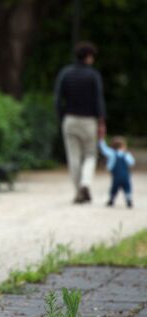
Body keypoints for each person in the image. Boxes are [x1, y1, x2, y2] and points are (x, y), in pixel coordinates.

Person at [55, 41, 107, 204]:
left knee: (74, 157)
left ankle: (79, 192)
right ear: (89, 57)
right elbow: (98, 100)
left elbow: (58, 99)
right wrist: (101, 121)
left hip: (70, 119)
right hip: (88, 121)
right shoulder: (93, 75)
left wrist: (62, 117)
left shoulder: (65, 73)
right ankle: (85, 183)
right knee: (91, 154)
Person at [98, 136, 135, 208]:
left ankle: (111, 200)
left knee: (114, 188)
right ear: (122, 146)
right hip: (125, 176)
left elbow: (104, 150)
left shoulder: (112, 154)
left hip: (116, 176)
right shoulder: (126, 154)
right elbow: (132, 162)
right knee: (127, 188)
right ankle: (128, 199)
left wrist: (101, 141)